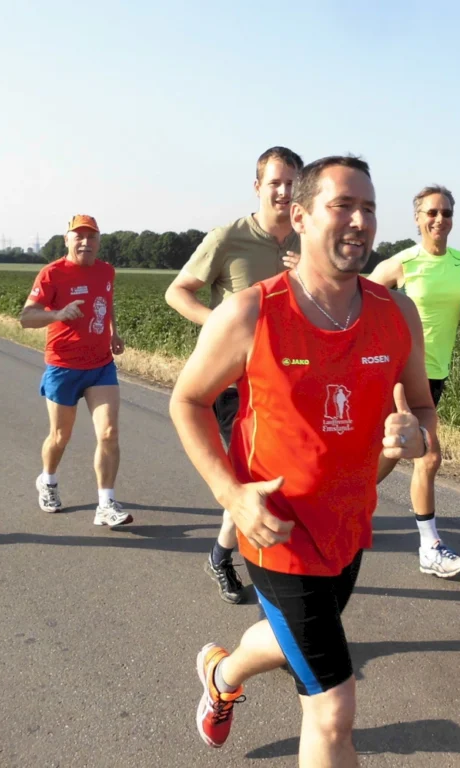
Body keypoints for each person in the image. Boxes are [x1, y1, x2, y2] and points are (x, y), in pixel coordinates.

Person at [169, 156, 436, 767]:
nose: (360, 221)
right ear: (300, 217)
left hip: (350, 523)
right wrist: (232, 495)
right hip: (277, 532)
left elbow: (422, 406)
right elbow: (187, 401)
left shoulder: (396, 313)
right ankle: (230, 678)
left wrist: (416, 436)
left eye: (369, 209)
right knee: (333, 711)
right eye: (343, 206)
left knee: (289, 639)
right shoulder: (250, 312)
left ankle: (221, 674)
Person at [165, 146, 304, 604]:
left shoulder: (308, 239)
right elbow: (177, 292)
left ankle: (223, 554)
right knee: (250, 478)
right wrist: (221, 328)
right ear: (258, 187)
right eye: (275, 183)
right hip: (233, 384)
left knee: (272, 478)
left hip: (288, 383)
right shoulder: (229, 237)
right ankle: (246, 566)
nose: (284, 192)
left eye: (292, 184)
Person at [367, 185, 460, 577]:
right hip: (400, 376)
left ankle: (350, 502)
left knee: (392, 450)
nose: (440, 219)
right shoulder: (401, 263)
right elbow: (358, 302)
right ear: (418, 218)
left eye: (446, 213)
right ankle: (429, 547)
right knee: (429, 456)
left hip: (435, 374)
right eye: (432, 213)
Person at [19, 214, 129, 527]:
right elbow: (26, 318)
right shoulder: (52, 273)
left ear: (98, 241)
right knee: (60, 436)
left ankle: (106, 504)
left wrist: (113, 332)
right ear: (67, 240)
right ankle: (48, 480)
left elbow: (107, 301)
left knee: (109, 432)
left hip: (100, 365)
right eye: (78, 236)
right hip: (63, 366)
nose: (85, 242)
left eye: (91, 236)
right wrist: (57, 314)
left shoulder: (106, 270)